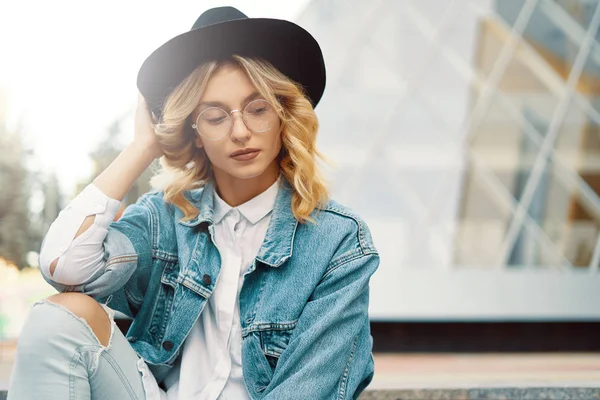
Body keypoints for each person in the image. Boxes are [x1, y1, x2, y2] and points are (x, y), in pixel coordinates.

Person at [8, 6, 379, 400]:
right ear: (196, 131)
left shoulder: (337, 240)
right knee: (57, 317)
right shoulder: (164, 220)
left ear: (283, 115)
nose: (241, 132)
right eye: (216, 117)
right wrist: (142, 147)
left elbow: (310, 390)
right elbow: (61, 264)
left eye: (258, 109)